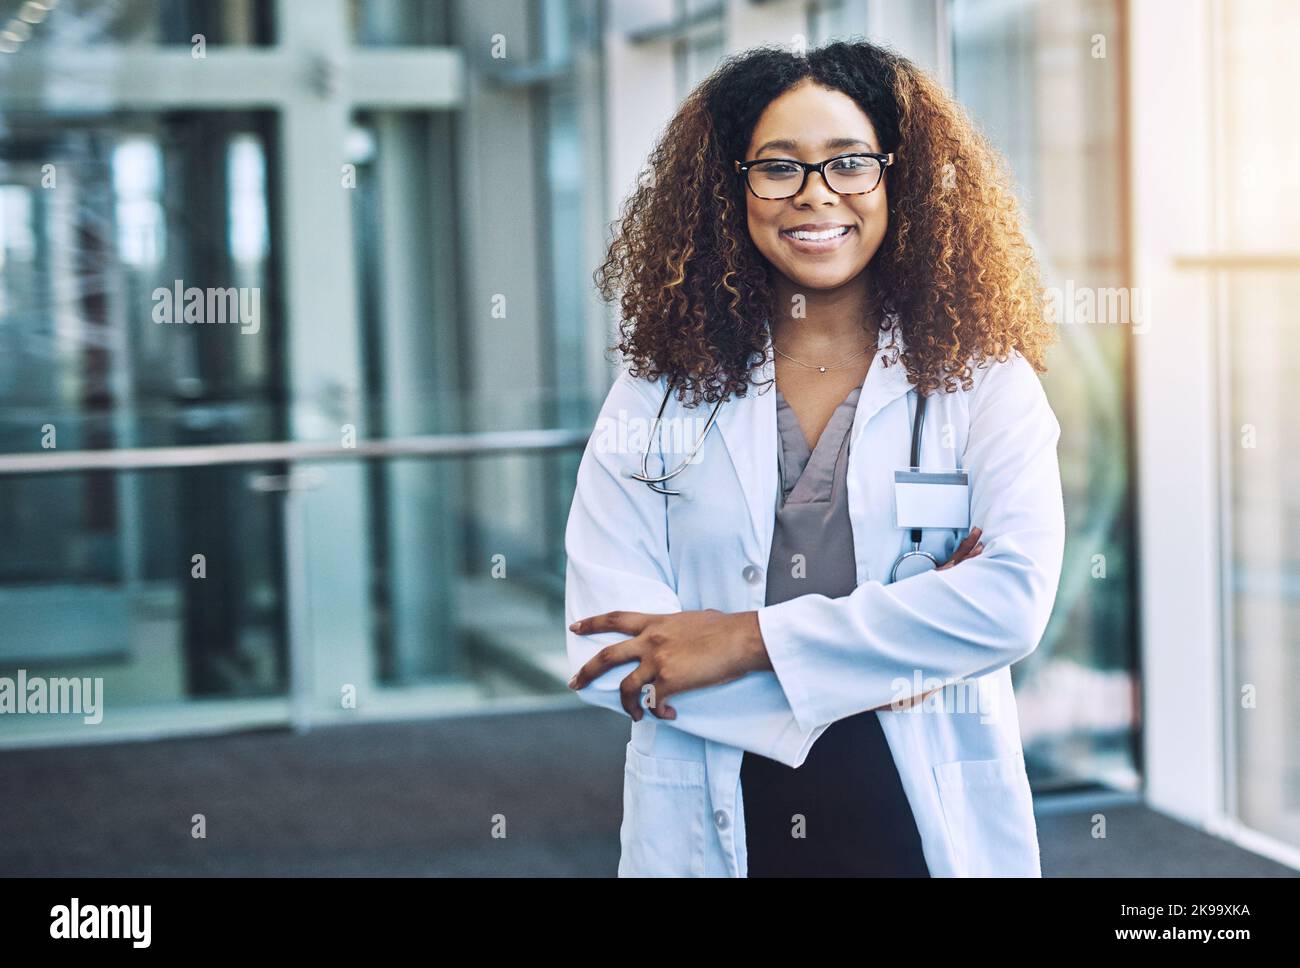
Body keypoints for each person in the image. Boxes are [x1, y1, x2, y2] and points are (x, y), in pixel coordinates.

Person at [564, 40, 1064, 877]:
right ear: (733, 187)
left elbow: (1009, 605)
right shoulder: (656, 393)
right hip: (719, 811)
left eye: (848, 163)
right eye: (778, 168)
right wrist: (901, 653)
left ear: (895, 178)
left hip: (920, 814)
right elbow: (607, 654)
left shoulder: (984, 381)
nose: (815, 196)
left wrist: (743, 640)